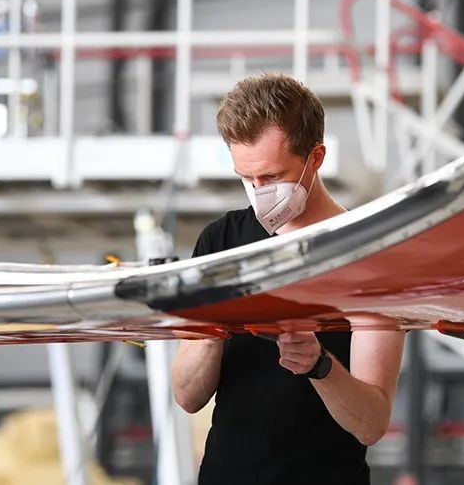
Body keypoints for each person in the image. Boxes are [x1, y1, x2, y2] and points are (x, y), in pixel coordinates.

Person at [171, 73, 405, 485]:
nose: (259, 192)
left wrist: (319, 366)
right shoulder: (221, 242)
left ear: (316, 158)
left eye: (273, 177)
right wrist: (211, 331)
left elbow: (371, 424)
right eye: (247, 178)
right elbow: (187, 398)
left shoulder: (369, 255)